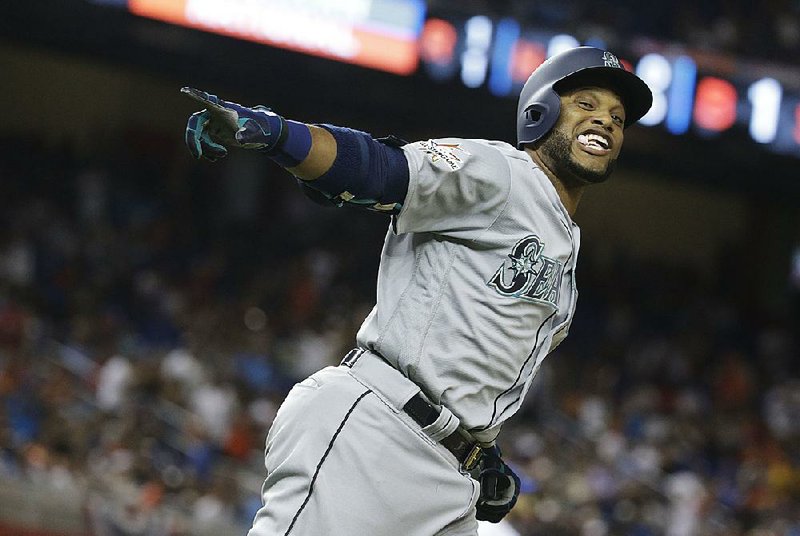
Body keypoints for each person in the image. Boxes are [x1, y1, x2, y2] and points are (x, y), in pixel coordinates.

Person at [182, 46, 652, 536]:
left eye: (618, 118)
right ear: (542, 112)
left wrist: (480, 452)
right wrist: (277, 133)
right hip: (378, 431)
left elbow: (471, 365)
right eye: (587, 104)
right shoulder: (501, 172)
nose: (606, 122)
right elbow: (380, 170)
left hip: (449, 475)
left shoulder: (566, 249)